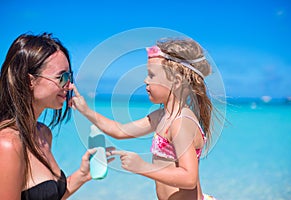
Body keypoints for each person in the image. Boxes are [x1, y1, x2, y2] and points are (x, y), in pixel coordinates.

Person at [71, 38, 217, 200]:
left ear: (176, 81)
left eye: (152, 75)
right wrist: (85, 110)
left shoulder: (181, 123)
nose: (145, 80)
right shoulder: (161, 116)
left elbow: (189, 178)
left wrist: (143, 167)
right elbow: (120, 130)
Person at [0, 33, 114, 200]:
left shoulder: (43, 133)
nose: (70, 85)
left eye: (70, 77)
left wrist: (82, 175)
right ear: (29, 80)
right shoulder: (8, 144)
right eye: (62, 77)